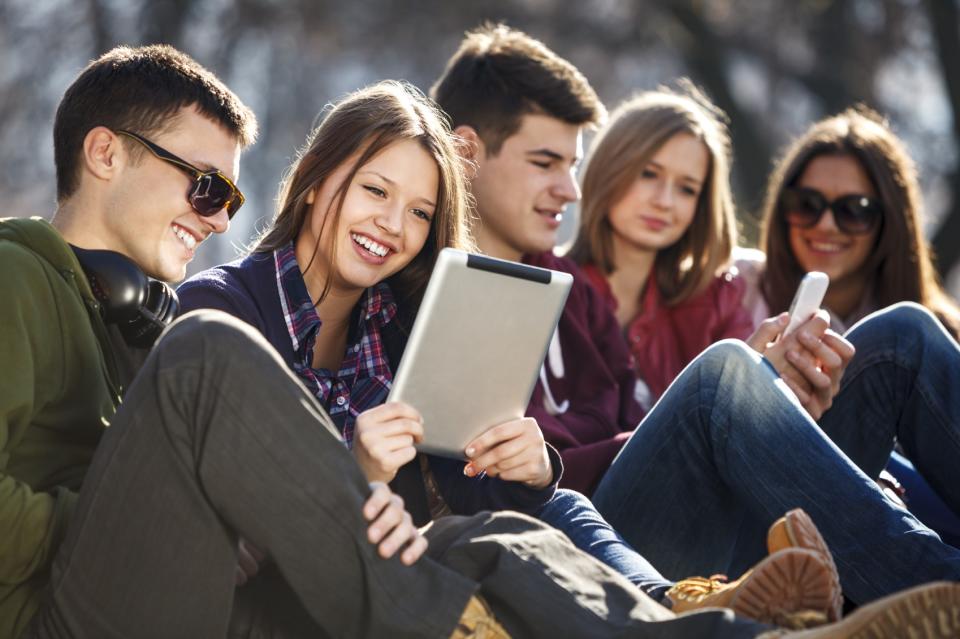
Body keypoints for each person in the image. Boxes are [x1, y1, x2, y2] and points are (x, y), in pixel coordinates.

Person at [3, 44, 883, 639]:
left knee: (492, 529)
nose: (215, 215)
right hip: (95, 604)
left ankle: (704, 624)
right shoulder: (40, 282)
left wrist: (519, 462)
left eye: (421, 212)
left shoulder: (125, 310)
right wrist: (312, 485)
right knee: (206, 352)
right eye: (202, 186)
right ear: (106, 153)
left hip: (211, 587)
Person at [178, 80, 844, 627]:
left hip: (416, 560)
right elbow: (213, 538)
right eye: (375, 191)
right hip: (290, 599)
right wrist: (356, 473)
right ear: (318, 182)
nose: (393, 226)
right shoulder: (223, 312)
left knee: (549, 505)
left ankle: (680, 601)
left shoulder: (400, 316)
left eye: (418, 212)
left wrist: (528, 463)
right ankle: (715, 621)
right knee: (489, 541)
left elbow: (468, 489)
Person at [429, 22, 960, 608]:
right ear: (467, 155)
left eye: (571, 165)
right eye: (545, 162)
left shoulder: (576, 295)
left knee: (899, 337)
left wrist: (767, 405)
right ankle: (936, 582)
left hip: (697, 521)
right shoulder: (439, 296)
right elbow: (501, 488)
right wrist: (725, 400)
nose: (569, 190)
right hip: (596, 541)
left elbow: (644, 430)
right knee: (723, 376)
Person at [737, 106, 960, 546]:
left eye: (854, 211)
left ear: (889, 223)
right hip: (770, 509)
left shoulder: (938, 337)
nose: (825, 225)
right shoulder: (740, 289)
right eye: (807, 205)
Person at [567, 82, 753, 409]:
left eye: (687, 189)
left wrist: (763, 381)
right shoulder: (552, 286)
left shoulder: (718, 300)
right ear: (610, 168)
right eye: (649, 174)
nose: (665, 201)